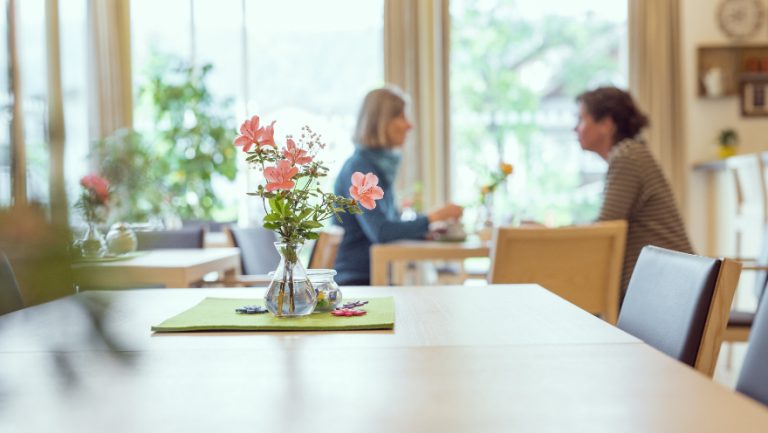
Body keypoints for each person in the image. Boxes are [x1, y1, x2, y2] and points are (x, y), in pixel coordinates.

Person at [333, 86, 463, 285]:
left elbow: (387, 225)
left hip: (374, 275)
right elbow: (381, 231)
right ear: (382, 123)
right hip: (357, 281)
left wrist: (423, 232)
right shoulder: (361, 170)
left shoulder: (374, 167)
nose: (409, 125)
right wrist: (435, 216)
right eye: (402, 117)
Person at [575, 86, 693, 297]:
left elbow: (603, 229)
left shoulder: (627, 157)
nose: (576, 128)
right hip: (666, 280)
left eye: (582, 119)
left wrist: (548, 232)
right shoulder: (630, 154)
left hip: (668, 286)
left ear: (606, 124)